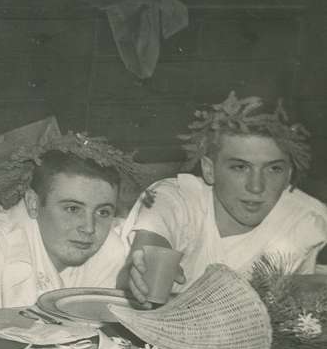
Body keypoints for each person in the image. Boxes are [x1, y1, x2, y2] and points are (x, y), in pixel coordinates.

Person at [123, 92, 327, 305]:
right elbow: (150, 244)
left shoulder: (308, 218)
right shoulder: (176, 197)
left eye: (273, 169)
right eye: (240, 167)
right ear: (209, 170)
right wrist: (142, 267)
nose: (256, 186)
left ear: (289, 175)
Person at [0, 132, 143, 309]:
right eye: (73, 208)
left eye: (103, 212)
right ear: (33, 203)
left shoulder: (112, 249)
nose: (89, 228)